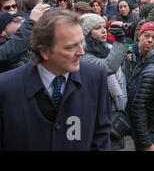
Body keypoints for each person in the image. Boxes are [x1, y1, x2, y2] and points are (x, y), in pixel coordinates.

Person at [0, 10, 111, 150]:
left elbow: (101, 135)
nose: (81, 52)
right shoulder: (6, 87)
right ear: (45, 51)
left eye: (81, 43)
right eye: (71, 47)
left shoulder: (95, 77)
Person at [79, 13, 129, 150]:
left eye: (103, 27)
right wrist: (120, 41)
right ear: (86, 32)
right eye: (97, 28)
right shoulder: (83, 55)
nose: (103, 31)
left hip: (111, 109)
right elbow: (108, 67)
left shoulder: (108, 48)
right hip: (95, 113)